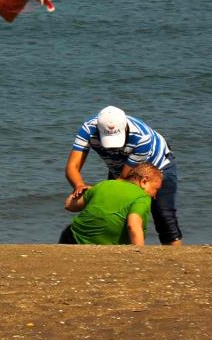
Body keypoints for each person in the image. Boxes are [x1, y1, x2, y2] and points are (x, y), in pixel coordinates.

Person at [65, 105, 183, 246]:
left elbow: (123, 180)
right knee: (111, 212)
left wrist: (101, 190)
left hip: (158, 166)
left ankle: (174, 256)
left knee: (163, 215)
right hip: (120, 169)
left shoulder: (142, 138)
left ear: (125, 127)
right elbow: (72, 167)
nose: (113, 147)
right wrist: (79, 185)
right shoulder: (88, 130)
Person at [59, 162, 163, 245]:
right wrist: (140, 252)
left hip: (71, 237)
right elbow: (133, 226)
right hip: (98, 247)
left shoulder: (105, 184)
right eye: (156, 189)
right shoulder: (142, 197)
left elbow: (69, 205)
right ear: (144, 181)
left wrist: (83, 191)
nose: (155, 196)